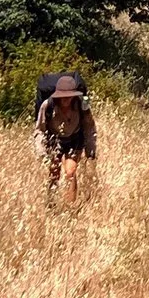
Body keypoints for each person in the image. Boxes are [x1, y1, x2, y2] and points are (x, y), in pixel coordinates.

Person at [35, 73, 98, 208]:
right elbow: (39, 130)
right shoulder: (47, 105)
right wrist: (41, 152)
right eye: (63, 96)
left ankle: (70, 206)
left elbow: (89, 126)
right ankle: (51, 203)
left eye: (69, 96)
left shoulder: (82, 103)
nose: (66, 99)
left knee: (70, 171)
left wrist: (90, 149)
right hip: (54, 139)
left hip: (75, 138)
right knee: (54, 172)